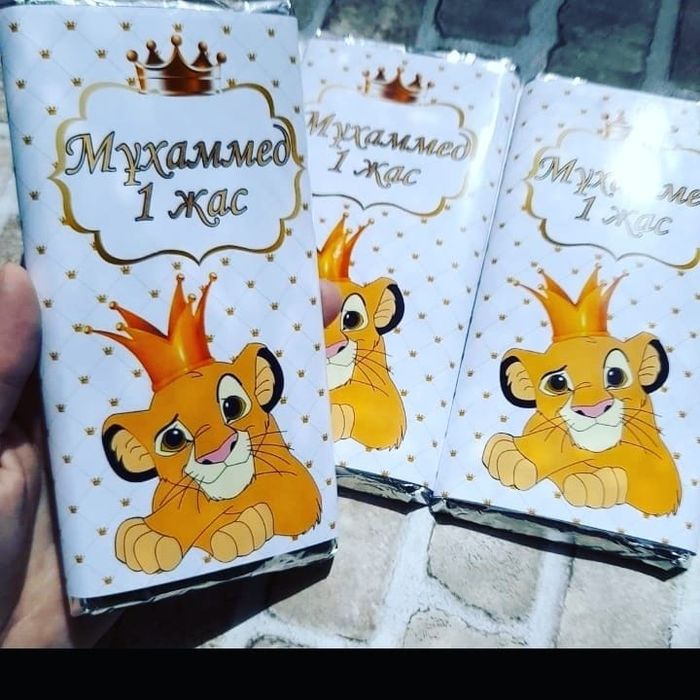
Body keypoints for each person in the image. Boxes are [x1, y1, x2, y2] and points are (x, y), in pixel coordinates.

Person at [0, 262, 341, 648]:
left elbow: (302, 500)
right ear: (135, 451)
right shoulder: (174, 501)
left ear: (261, 381)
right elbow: (165, 531)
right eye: (174, 439)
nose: (216, 447)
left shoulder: (275, 463)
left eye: (232, 406)